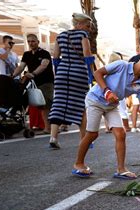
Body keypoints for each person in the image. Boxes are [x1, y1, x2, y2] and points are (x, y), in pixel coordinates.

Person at [73, 50, 140, 178]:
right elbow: (97, 73)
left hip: (112, 106)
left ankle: (121, 169)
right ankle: (79, 163)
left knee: (121, 134)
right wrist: (107, 92)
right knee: (92, 134)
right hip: (95, 99)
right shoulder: (121, 65)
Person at [48, 13, 94, 149]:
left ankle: (53, 137)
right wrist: (92, 74)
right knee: (82, 105)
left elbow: (55, 57)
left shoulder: (60, 36)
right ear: (79, 24)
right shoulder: (82, 36)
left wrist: (58, 74)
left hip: (62, 72)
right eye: (88, 25)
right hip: (79, 73)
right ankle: (84, 140)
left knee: (59, 103)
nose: (89, 29)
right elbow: (87, 56)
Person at [12, 33, 54, 133]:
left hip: (46, 82)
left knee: (46, 105)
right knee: (37, 106)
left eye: (33, 41)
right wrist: (12, 76)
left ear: (38, 42)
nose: (31, 43)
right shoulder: (26, 54)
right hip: (34, 84)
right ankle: (45, 126)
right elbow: (21, 67)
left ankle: (49, 128)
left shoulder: (44, 53)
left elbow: (44, 65)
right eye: (29, 41)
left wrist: (33, 73)